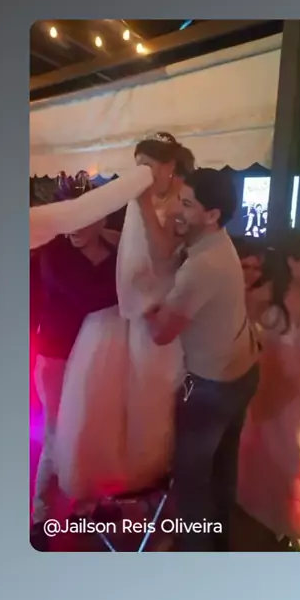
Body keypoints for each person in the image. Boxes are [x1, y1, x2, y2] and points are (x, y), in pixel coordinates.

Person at [53, 132, 195, 503]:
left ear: (168, 167)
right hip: (120, 312)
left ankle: (146, 478)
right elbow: (132, 240)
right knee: (104, 400)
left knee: (149, 397)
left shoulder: (181, 202)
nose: (141, 172)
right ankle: (108, 482)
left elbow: (164, 254)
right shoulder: (136, 198)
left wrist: (144, 202)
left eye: (147, 165)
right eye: (137, 165)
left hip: (154, 314)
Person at [142, 169, 259, 551]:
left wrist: (142, 305)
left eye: (187, 204)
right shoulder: (217, 241)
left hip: (211, 386)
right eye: (179, 198)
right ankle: (220, 547)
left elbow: (161, 333)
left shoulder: (201, 266)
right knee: (222, 469)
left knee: (191, 480)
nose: (177, 209)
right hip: (242, 372)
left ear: (212, 215)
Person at [30, 180, 121, 550]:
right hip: (57, 358)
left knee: (93, 431)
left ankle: (86, 505)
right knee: (57, 436)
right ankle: (41, 516)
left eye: (84, 217)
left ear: (102, 218)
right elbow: (88, 295)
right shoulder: (54, 253)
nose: (75, 226)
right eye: (70, 217)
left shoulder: (115, 251)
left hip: (99, 357)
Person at [237, 230, 300, 551]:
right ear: (292, 262)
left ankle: (290, 519)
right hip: (263, 380)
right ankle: (264, 516)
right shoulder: (261, 294)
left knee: (291, 453)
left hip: (298, 387)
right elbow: (240, 337)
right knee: (258, 450)